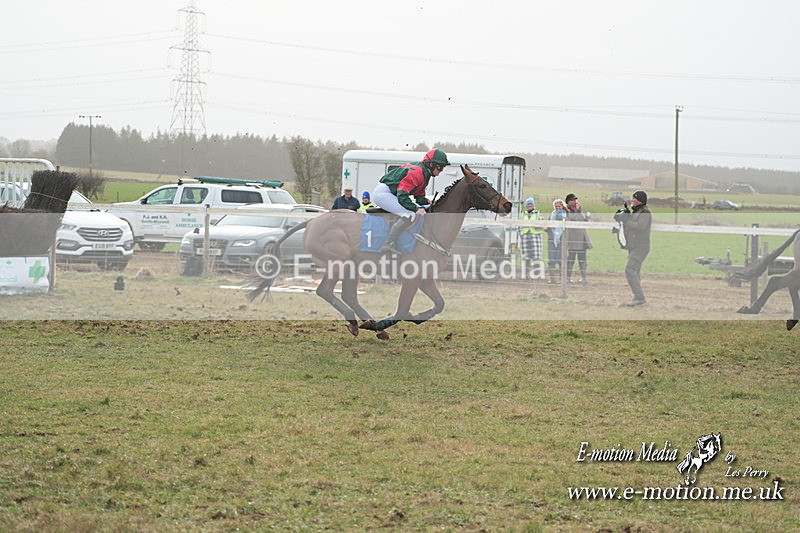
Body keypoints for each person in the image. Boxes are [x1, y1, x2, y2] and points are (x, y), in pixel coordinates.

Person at [372, 148, 449, 254]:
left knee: (412, 211)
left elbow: (419, 197)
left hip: (390, 193)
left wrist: (429, 202)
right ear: (431, 164)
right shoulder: (417, 173)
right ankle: (388, 244)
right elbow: (402, 195)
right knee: (409, 214)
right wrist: (415, 209)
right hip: (383, 194)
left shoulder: (424, 174)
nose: (440, 171)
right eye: (440, 167)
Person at [614, 190, 652, 306]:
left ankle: (639, 297)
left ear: (640, 200)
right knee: (635, 272)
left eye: (634, 198)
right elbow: (631, 226)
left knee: (629, 269)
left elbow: (640, 227)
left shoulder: (645, 212)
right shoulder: (637, 211)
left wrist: (627, 220)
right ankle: (638, 298)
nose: (632, 200)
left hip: (641, 247)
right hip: (634, 246)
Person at [564, 193, 592, 284]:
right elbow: (573, 219)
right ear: (568, 202)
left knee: (582, 259)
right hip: (572, 238)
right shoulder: (567, 211)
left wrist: (586, 217)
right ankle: (568, 278)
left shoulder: (579, 210)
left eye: (575, 199)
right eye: (572, 200)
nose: (575, 201)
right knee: (571, 259)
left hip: (582, 237)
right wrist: (578, 212)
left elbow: (583, 220)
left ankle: (584, 278)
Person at [518, 197, 543, 277]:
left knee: (536, 257)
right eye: (528, 204)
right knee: (526, 257)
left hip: (535, 238)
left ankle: (536, 274)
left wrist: (536, 226)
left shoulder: (538, 214)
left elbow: (542, 225)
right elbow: (519, 226)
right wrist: (521, 234)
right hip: (525, 238)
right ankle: (526, 275)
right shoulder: (523, 215)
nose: (529, 206)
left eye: (531, 204)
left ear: (533, 205)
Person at [546, 198, 567, 284]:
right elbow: (548, 225)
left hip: (562, 239)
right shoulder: (552, 215)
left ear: (562, 206)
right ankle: (552, 279)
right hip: (551, 238)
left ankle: (561, 279)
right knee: (551, 259)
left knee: (561, 259)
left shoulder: (566, 215)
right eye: (556, 206)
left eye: (559, 206)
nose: (557, 208)